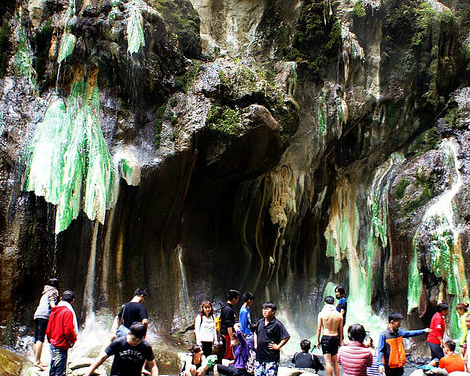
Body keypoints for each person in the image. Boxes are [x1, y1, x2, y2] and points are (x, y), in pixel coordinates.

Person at [84, 322, 158, 376]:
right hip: (117, 374)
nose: (136, 342)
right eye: (133, 339)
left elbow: (153, 366)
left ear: (143, 337)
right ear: (129, 333)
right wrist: (88, 372)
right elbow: (102, 357)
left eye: (139, 340)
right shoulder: (119, 342)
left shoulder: (146, 346)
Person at [377, 312, 431, 376]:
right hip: (389, 367)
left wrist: (423, 331)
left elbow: (410, 333)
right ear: (392, 322)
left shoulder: (399, 332)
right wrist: (380, 365)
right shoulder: (384, 335)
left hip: (400, 366)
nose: (399, 325)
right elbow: (380, 350)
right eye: (398, 323)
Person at [46, 290, 78, 376]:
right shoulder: (67, 312)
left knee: (53, 371)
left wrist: (50, 339)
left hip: (53, 344)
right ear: (72, 301)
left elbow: (49, 328)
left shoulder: (55, 310)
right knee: (60, 373)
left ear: (60, 299)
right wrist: (73, 340)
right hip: (61, 345)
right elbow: (68, 330)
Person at [254, 301, 290, 376]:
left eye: (267, 309)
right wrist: (255, 344)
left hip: (271, 358)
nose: (264, 311)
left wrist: (278, 346)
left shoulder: (277, 324)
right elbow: (255, 332)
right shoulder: (260, 322)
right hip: (259, 357)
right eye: (263, 309)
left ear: (273, 311)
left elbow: (286, 337)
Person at [33, 278, 59, 370]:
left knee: (36, 338)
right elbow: (52, 303)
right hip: (44, 315)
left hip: (37, 314)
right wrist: (57, 312)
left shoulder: (45, 291)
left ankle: (37, 360)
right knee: (40, 338)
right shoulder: (54, 291)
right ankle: (37, 361)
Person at [316, 296, 343, 376]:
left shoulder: (321, 314)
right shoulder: (339, 315)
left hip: (326, 337)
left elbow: (319, 328)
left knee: (328, 361)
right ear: (334, 303)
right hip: (335, 337)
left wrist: (318, 341)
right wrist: (341, 340)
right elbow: (341, 330)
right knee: (335, 361)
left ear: (325, 303)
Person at [221, 289, 240, 360]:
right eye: (237, 298)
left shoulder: (224, 307)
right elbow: (228, 325)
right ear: (234, 299)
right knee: (228, 354)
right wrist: (231, 337)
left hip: (224, 333)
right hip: (227, 335)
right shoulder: (229, 310)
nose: (237, 300)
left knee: (227, 352)